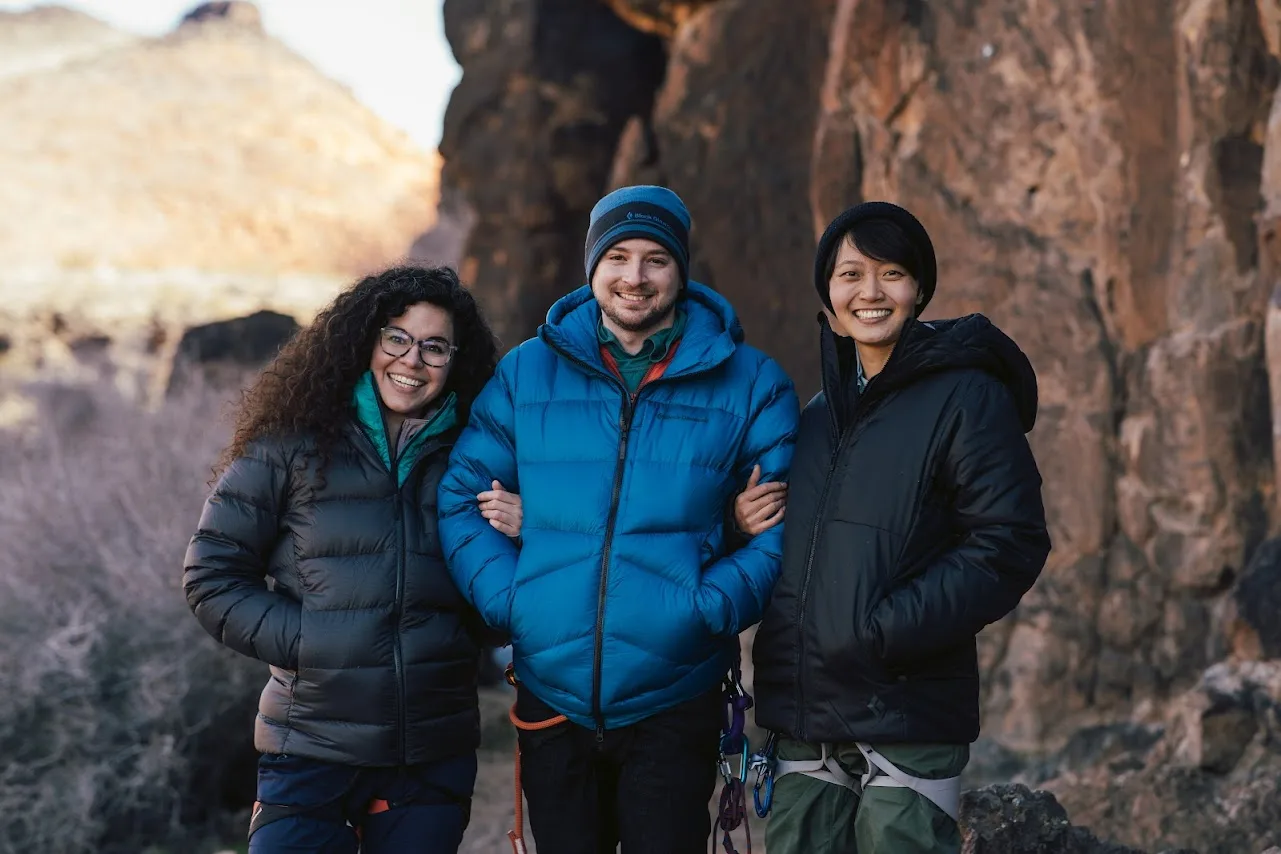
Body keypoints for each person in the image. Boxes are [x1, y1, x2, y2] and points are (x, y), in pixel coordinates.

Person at [437, 185, 800, 853]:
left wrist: (706, 606)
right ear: (592, 266)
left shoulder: (751, 383)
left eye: (656, 259)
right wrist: (517, 599)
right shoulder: (527, 373)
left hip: (675, 692)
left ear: (680, 271)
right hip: (552, 692)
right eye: (619, 256)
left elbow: (783, 523)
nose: (635, 277)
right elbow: (461, 496)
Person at [745, 202, 1052, 853]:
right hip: (805, 722)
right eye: (850, 274)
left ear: (918, 288)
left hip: (906, 711)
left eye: (891, 273)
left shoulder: (966, 395)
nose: (870, 292)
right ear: (827, 292)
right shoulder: (816, 415)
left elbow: (1009, 541)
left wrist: (881, 632)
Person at [183, 266, 521, 854]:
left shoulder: (479, 458)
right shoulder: (290, 444)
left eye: (434, 346)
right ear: (366, 340)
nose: (412, 361)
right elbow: (212, 576)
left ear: (456, 360)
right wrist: (311, 641)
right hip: (308, 747)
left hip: (429, 757)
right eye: (397, 337)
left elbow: (502, 610)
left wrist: (522, 540)